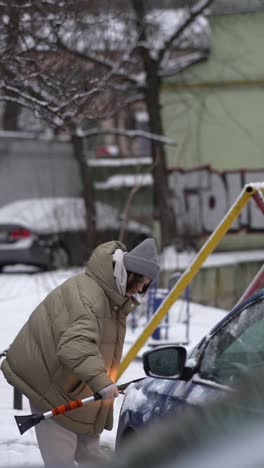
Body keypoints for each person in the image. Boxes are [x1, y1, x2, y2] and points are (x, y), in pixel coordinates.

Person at [1, 238, 160, 468]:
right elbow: (75, 344)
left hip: (73, 383)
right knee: (60, 459)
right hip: (48, 383)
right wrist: (101, 381)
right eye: (140, 282)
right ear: (129, 273)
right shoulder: (91, 299)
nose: (140, 290)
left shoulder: (110, 295)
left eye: (146, 285)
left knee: (89, 453)